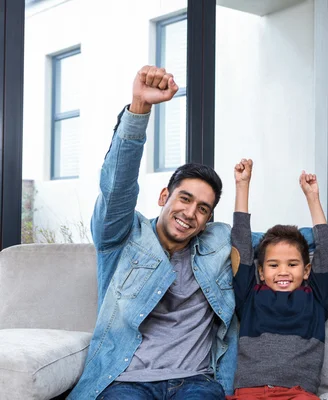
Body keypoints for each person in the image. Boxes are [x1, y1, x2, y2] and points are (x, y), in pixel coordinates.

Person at [68, 66, 238, 399]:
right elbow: (117, 187)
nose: (190, 213)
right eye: (184, 199)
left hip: (197, 380)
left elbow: (284, 244)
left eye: (203, 208)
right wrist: (139, 110)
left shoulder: (218, 242)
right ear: (164, 197)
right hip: (125, 379)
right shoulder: (122, 236)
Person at [227, 159, 328, 400]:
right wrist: (242, 185)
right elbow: (241, 247)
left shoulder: (316, 297)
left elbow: (325, 251)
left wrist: (313, 198)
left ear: (307, 271)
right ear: (261, 272)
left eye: (293, 264)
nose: (283, 271)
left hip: (298, 394)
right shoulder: (249, 296)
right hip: (250, 392)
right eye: (274, 265)